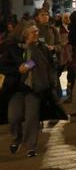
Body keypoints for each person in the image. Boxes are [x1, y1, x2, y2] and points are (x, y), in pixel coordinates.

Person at [0, 24, 63, 157]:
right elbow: (4, 67)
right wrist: (18, 70)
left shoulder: (41, 48)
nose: (36, 34)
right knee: (14, 117)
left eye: (37, 32)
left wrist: (51, 81)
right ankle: (17, 138)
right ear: (24, 34)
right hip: (16, 89)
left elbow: (49, 64)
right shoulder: (13, 49)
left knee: (32, 117)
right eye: (32, 32)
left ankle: (31, 146)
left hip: (34, 88)